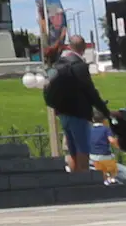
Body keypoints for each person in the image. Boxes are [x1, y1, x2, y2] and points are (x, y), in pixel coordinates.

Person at [41, 37, 106, 172]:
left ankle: (74, 178)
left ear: (69, 47)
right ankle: (84, 179)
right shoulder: (79, 65)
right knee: (82, 150)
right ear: (84, 48)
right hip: (78, 113)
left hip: (63, 113)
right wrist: (104, 111)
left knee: (72, 151)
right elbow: (90, 91)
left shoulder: (60, 63)